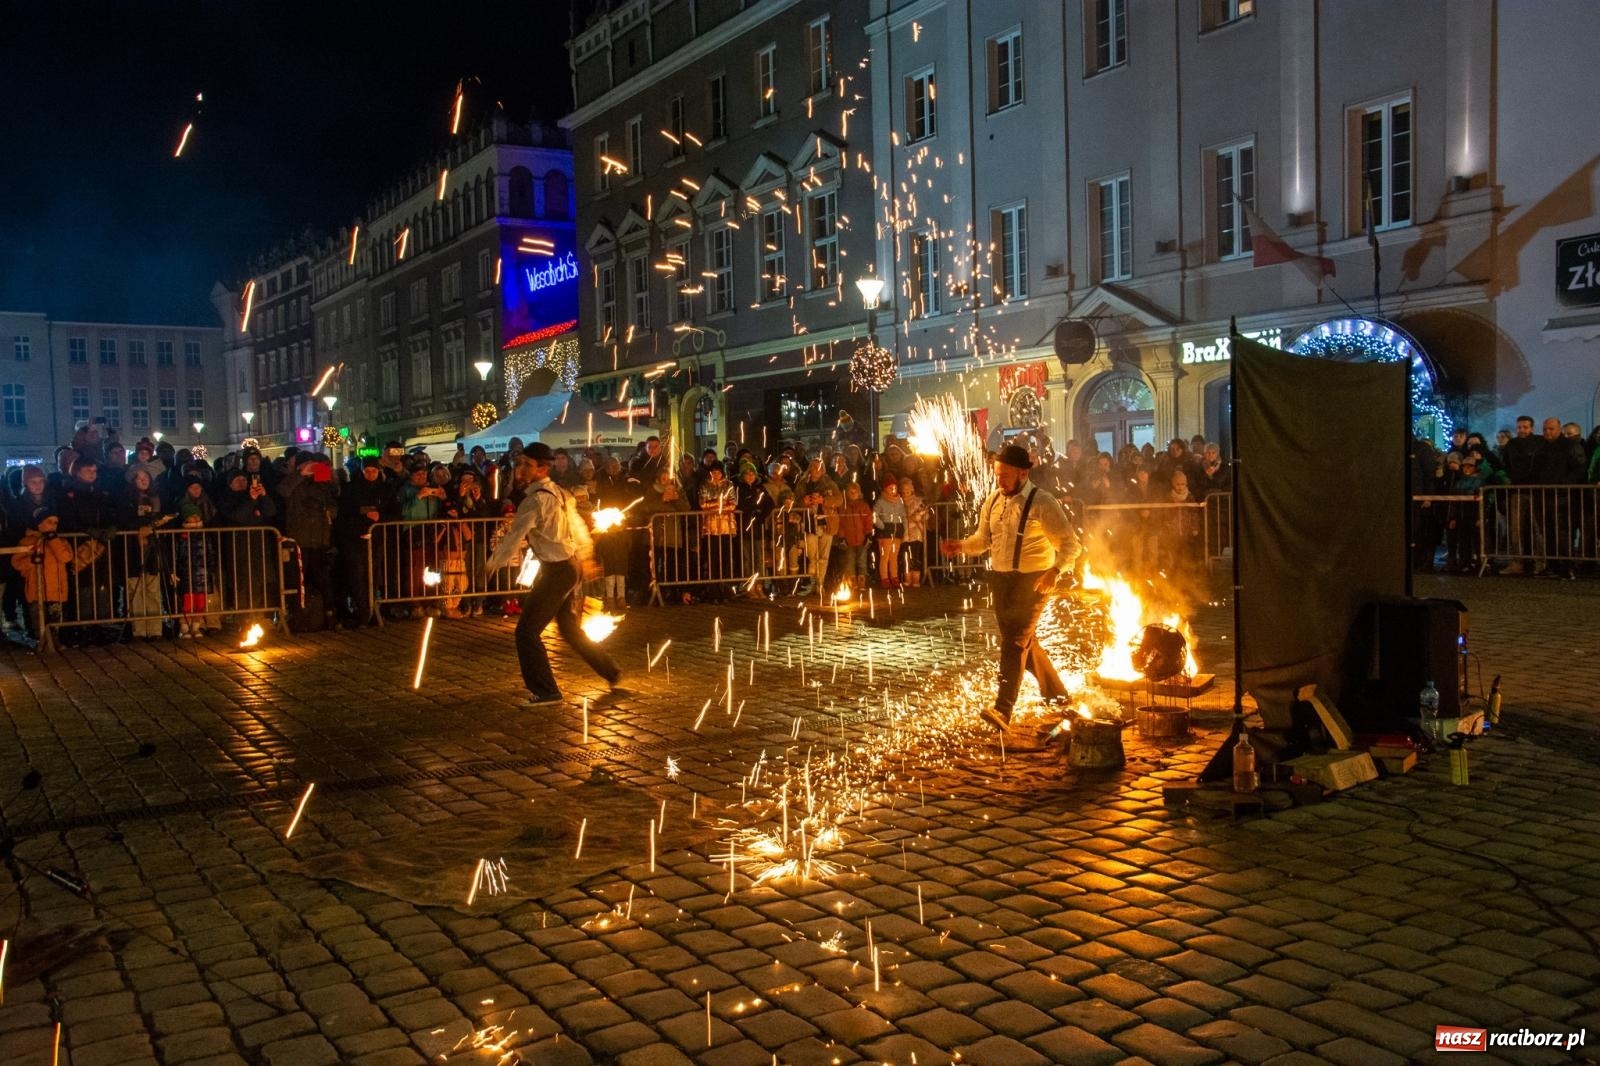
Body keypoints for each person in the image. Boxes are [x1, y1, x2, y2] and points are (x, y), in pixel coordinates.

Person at [940, 443, 1081, 740]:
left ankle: (1003, 709)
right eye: (997, 474)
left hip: (1033, 582)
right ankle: (1057, 696)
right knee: (1023, 643)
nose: (999, 480)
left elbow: (1070, 545)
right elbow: (983, 540)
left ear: (1022, 473)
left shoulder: (1043, 502)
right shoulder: (992, 501)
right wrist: (961, 546)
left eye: (1005, 475)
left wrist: (1054, 572)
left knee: (1015, 643)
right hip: (1001, 580)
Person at [485, 444, 621, 705]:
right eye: (519, 463)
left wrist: (491, 565)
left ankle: (547, 691)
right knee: (569, 629)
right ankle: (610, 671)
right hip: (568, 567)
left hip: (559, 571)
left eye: (527, 464)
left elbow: (515, 537)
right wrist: (586, 556)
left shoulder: (535, 501)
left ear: (542, 468)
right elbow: (577, 526)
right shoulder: (558, 492)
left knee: (526, 632)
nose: (520, 468)